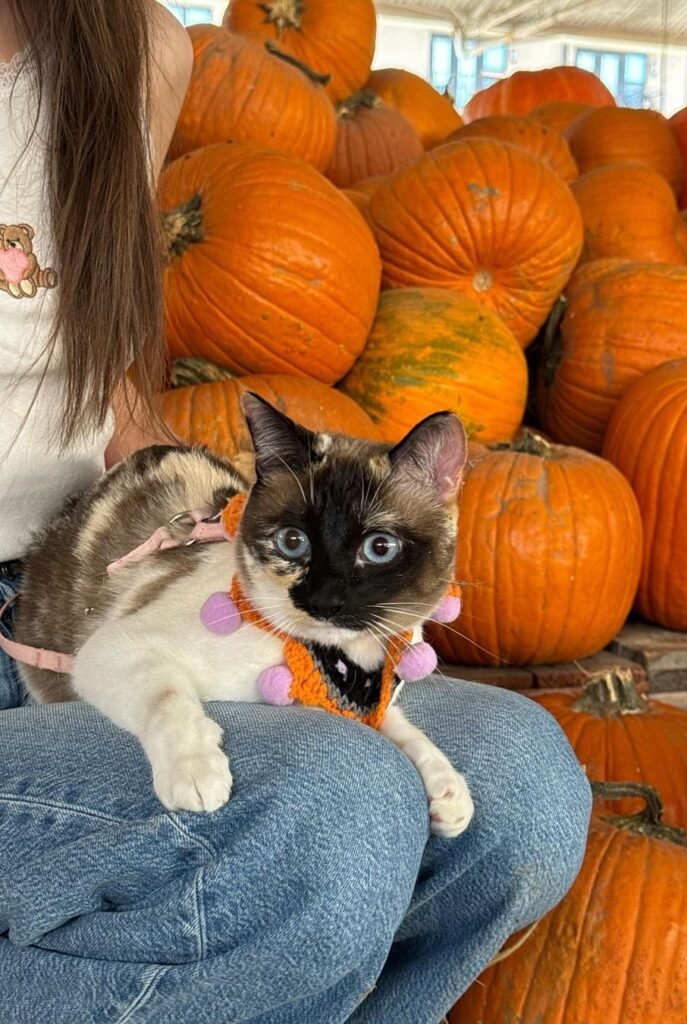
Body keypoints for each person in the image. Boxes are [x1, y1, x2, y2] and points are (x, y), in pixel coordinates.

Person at [0, 3, 591, 1022]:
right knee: (332, 814)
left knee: (521, 788)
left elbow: (102, 393)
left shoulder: (126, 47)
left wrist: (236, 538)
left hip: (78, 580)